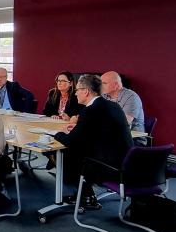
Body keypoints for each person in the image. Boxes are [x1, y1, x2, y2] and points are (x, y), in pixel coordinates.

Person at [54, 74, 133, 208]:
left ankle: (85, 194)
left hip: (109, 167)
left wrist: (58, 133)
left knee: (69, 153)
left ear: (86, 91)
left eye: (78, 90)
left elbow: (71, 141)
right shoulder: (113, 105)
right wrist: (79, 127)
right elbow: (98, 129)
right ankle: (86, 193)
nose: (76, 93)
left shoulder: (90, 111)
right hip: (126, 161)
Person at [101, 71, 146, 146]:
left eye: (104, 83)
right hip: (111, 135)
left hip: (133, 140)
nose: (101, 86)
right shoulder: (104, 96)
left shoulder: (131, 97)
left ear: (116, 85)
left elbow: (123, 124)